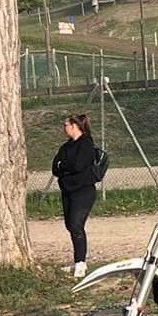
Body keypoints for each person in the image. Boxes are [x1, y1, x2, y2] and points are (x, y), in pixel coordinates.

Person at [53, 114, 100, 278]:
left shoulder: (86, 144)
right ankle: (77, 260)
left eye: (66, 125)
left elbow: (79, 165)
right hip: (68, 190)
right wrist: (65, 166)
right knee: (70, 225)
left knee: (76, 225)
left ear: (74, 126)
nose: (64, 128)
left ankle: (81, 263)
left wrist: (64, 165)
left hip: (83, 191)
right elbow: (55, 167)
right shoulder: (66, 146)